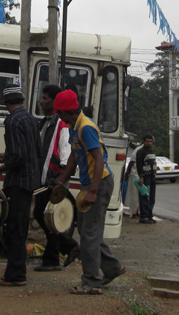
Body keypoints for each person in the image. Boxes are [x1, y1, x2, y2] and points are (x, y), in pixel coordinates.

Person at [52, 89, 125, 295]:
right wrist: (61, 180)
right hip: (90, 183)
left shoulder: (86, 128)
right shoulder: (74, 128)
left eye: (60, 113)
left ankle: (91, 282)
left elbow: (99, 158)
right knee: (86, 231)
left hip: (98, 183)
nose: (59, 117)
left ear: (66, 112)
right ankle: (113, 268)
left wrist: (93, 191)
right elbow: (74, 156)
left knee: (90, 235)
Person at [0, 86, 42, 287]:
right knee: (20, 227)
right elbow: (34, 151)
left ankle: (16, 275)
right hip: (30, 181)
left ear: (6, 102)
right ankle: (15, 272)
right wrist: (7, 155)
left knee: (14, 230)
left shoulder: (12, 121)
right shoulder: (31, 120)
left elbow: (18, 156)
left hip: (17, 182)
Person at [33, 84, 80, 272]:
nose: (42, 102)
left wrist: (59, 179)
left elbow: (66, 153)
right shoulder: (48, 121)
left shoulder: (61, 123)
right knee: (44, 216)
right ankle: (57, 254)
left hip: (54, 179)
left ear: (55, 102)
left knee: (44, 216)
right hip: (48, 177)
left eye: (45, 98)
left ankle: (59, 254)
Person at [136, 134, 157, 224]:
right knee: (145, 196)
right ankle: (143, 216)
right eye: (147, 141)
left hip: (152, 176)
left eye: (150, 141)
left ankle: (149, 215)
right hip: (145, 177)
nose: (149, 143)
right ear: (144, 142)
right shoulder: (140, 152)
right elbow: (139, 165)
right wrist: (141, 177)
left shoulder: (152, 151)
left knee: (152, 196)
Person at [123, 143, 141, 218]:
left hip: (142, 175)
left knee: (142, 195)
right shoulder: (138, 150)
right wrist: (127, 174)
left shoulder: (150, 151)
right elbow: (131, 162)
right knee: (134, 195)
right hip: (135, 175)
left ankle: (138, 211)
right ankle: (133, 212)